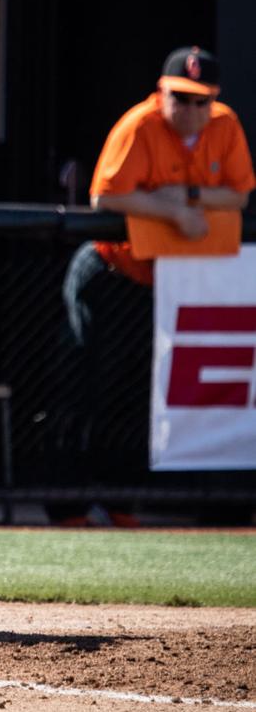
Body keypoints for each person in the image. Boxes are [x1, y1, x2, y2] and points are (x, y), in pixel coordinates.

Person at [52, 46, 253, 526]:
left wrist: (185, 196)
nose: (191, 111)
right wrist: (174, 212)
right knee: (85, 386)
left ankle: (121, 501)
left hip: (167, 283)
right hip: (112, 271)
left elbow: (240, 193)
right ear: (162, 93)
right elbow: (105, 196)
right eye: (181, 98)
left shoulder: (224, 126)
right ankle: (66, 506)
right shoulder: (140, 125)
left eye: (201, 100)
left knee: (135, 393)